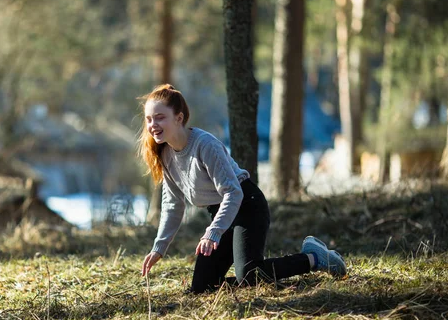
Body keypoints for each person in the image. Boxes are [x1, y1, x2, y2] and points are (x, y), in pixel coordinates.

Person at [138, 84, 347, 293]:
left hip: (247, 206)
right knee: (201, 288)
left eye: (159, 117)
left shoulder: (204, 145)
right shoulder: (165, 154)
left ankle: (314, 258)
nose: (153, 124)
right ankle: (250, 279)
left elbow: (233, 192)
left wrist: (213, 232)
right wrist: (159, 248)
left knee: (249, 273)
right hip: (222, 214)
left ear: (179, 118)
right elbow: (173, 205)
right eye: (149, 119)